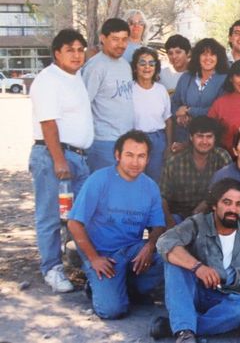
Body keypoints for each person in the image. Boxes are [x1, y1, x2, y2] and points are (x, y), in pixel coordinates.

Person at [67, 131, 166, 319]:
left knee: (168, 257)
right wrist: (94, 258)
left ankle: (127, 286)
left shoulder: (150, 186)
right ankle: (96, 283)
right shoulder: (100, 179)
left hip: (132, 251)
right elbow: (74, 223)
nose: (135, 162)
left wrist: (150, 245)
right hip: (103, 254)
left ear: (148, 159)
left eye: (141, 156)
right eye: (129, 155)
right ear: (117, 155)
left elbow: (158, 226)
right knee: (112, 311)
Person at [151, 178, 240, 343]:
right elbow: (164, 242)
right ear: (215, 205)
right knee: (174, 263)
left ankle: (178, 327)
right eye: (227, 202)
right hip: (196, 290)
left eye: (239, 204)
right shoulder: (198, 223)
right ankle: (184, 334)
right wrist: (198, 267)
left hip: (227, 295)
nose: (233, 209)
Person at [29, 29, 93, 293]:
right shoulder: (48, 80)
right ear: (57, 53)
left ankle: (79, 264)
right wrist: (58, 159)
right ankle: (52, 269)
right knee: (51, 215)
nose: (77, 54)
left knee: (80, 214)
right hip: (54, 156)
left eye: (80, 49)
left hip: (77, 157)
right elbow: (48, 123)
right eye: (70, 49)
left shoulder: (74, 76)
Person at [81, 18, 134, 172]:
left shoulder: (125, 65)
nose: (121, 44)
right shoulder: (95, 67)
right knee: (105, 190)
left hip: (125, 140)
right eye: (115, 39)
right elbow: (84, 104)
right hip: (103, 142)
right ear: (103, 39)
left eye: (124, 39)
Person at [160, 116, 232, 227]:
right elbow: (162, 196)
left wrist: (206, 203)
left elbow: (228, 189)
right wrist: (169, 221)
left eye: (209, 137)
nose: (204, 141)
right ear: (191, 137)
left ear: (215, 139)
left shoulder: (222, 157)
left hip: (211, 214)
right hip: (179, 216)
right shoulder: (174, 161)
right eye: (200, 136)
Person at [171, 38, 228, 146]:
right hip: (184, 138)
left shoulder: (224, 80)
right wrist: (178, 115)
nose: (208, 58)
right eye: (204, 54)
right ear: (197, 57)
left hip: (210, 140)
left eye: (212, 54)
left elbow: (218, 110)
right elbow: (174, 102)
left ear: (218, 57)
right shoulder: (186, 77)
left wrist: (189, 111)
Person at [131, 47, 172, 183]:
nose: (147, 67)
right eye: (142, 63)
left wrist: (168, 145)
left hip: (157, 140)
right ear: (135, 67)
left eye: (151, 63)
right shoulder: (128, 89)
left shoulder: (161, 90)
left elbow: (168, 119)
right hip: (135, 139)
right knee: (135, 178)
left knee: (155, 181)